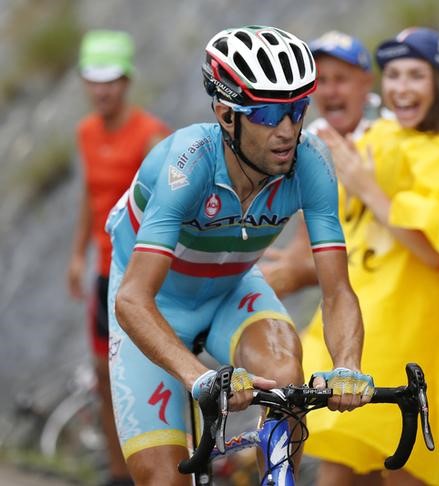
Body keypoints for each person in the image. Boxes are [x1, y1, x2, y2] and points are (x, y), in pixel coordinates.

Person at [104, 26, 373, 486]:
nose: (288, 131)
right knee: (163, 480)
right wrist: (195, 376)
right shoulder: (186, 162)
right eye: (269, 114)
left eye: (296, 110)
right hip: (154, 307)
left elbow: (337, 291)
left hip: (232, 292)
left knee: (287, 376)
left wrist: (348, 364)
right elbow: (131, 300)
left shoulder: (310, 162)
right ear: (227, 115)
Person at [300, 27, 439, 485]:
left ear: (438, 82)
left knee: (404, 467)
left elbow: (435, 253)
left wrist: (369, 189)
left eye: (415, 75)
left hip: (425, 337)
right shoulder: (383, 139)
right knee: (342, 465)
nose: (401, 87)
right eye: (393, 74)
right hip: (374, 326)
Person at [67, 29, 169, 486]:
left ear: (126, 81)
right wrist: (77, 255)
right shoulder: (86, 133)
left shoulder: (151, 136)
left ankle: (167, 469)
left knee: (156, 377)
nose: (102, 89)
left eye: (110, 80)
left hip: (143, 279)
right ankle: (116, 474)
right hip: (104, 275)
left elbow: (169, 213)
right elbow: (89, 195)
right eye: (94, 80)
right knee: (104, 378)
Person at [261, 30, 375, 298]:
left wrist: (297, 273)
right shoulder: (309, 143)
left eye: (340, 79)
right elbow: (307, 239)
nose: (330, 91)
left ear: (366, 83)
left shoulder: (388, 134)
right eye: (320, 80)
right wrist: (287, 264)